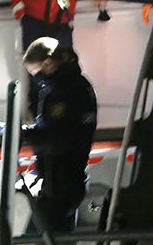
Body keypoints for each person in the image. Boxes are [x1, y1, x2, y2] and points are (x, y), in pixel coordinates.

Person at [20, 37, 97, 233]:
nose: (35, 77)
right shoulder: (66, 86)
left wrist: (25, 135)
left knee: (42, 241)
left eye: (35, 71)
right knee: (51, 240)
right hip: (61, 180)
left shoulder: (65, 91)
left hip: (63, 182)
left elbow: (57, 139)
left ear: (47, 63)